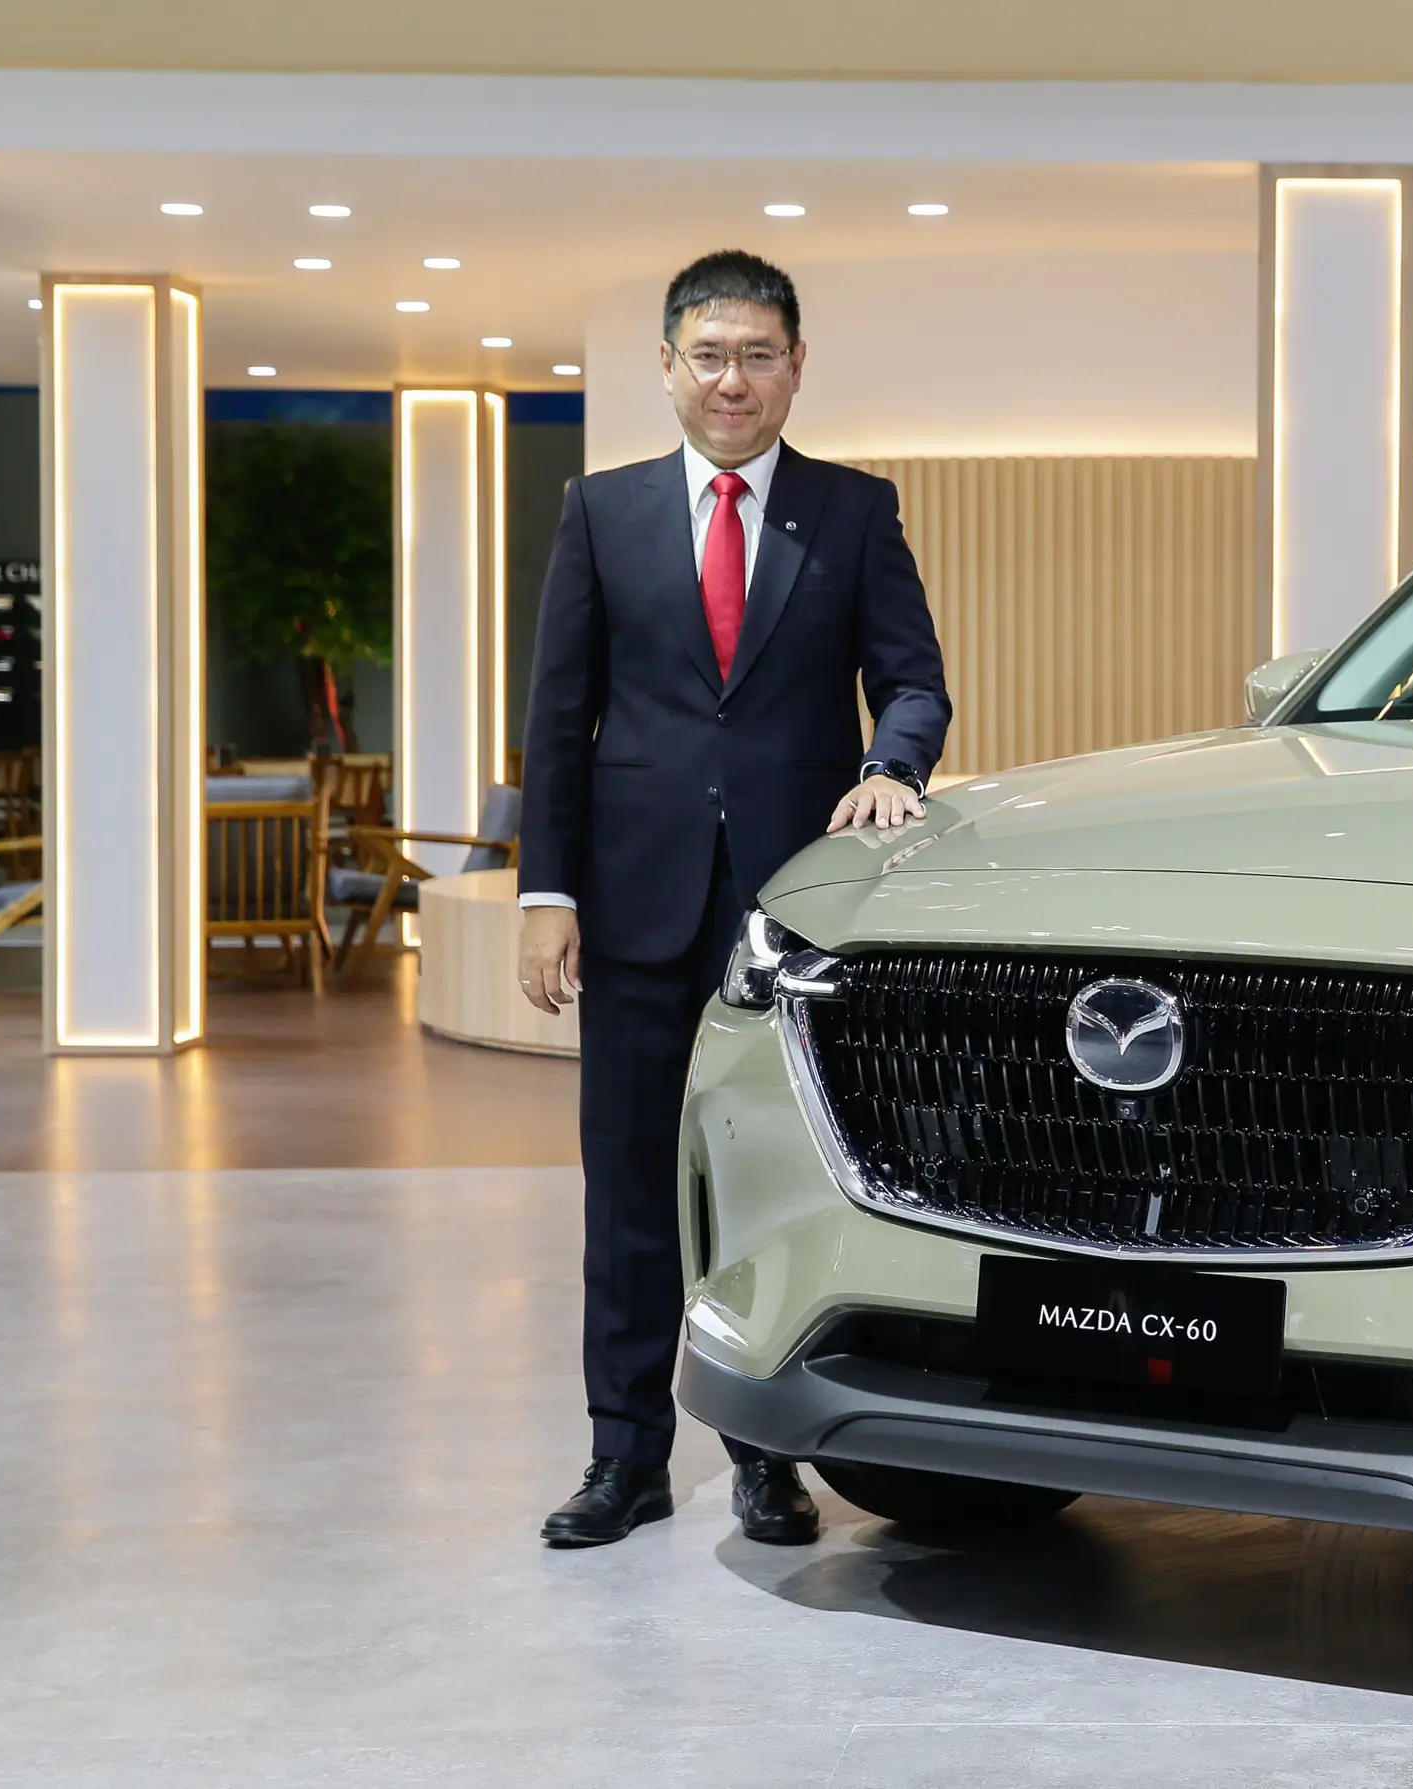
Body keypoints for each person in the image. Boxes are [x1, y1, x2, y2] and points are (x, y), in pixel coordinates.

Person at [516, 250, 950, 1548]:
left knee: (772, 1188)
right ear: (667, 366)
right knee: (628, 1187)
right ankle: (624, 1458)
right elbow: (557, 720)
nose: (733, 380)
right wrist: (547, 890)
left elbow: (912, 682)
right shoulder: (602, 512)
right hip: (635, 905)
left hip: (789, 916)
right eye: (709, 356)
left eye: (759, 356)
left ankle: (767, 1458)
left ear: (796, 367)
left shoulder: (853, 512)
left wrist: (890, 767)